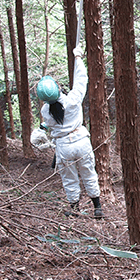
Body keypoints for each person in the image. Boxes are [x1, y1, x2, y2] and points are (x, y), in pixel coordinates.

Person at [36, 46, 103, 219]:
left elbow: (51, 122)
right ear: (58, 88)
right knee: (89, 173)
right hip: (81, 141)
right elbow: (81, 80)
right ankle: (97, 208)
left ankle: (75, 209)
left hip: (64, 146)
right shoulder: (73, 100)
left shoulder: (45, 111)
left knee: (69, 179)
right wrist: (78, 57)